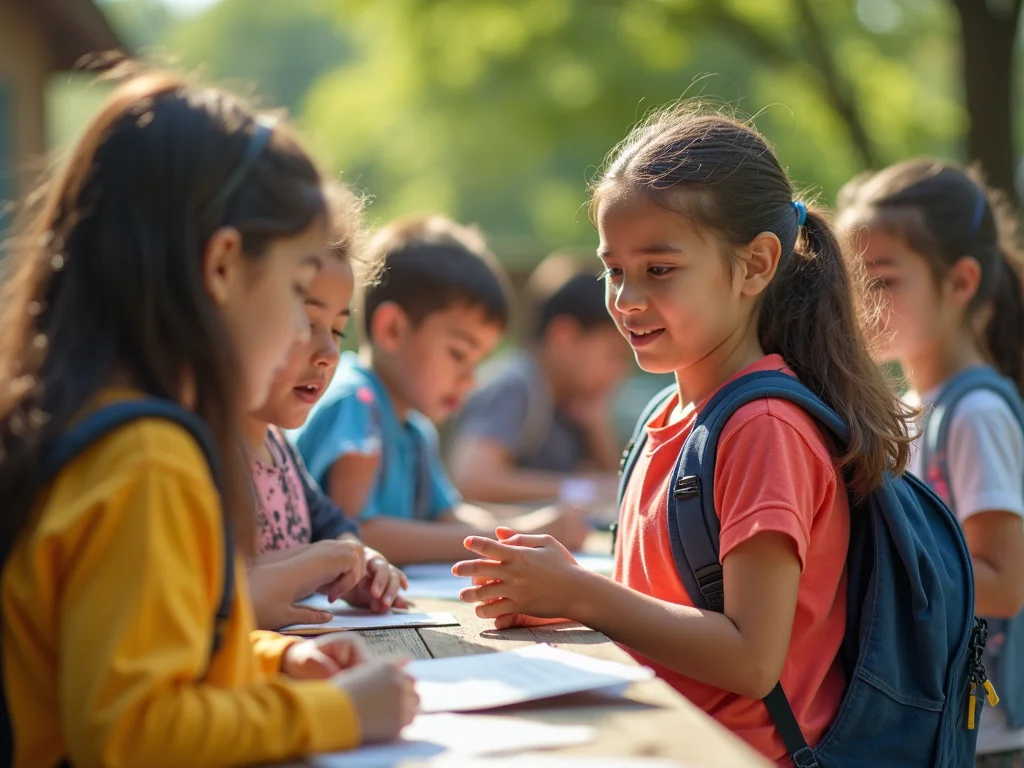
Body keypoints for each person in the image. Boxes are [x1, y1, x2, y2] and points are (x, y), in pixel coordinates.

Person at [453, 106, 913, 762]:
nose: (626, 299)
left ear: (755, 266)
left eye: (659, 269)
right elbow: (662, 608)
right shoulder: (668, 414)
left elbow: (752, 659)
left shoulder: (763, 429)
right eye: (613, 270)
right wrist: (557, 599)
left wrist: (581, 592)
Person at [0, 71, 416, 768]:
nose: (300, 338)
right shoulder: (145, 458)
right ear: (223, 265)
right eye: (295, 292)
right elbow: (134, 731)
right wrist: (336, 712)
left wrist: (272, 660)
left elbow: (141, 641)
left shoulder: (85, 419)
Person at [838, 159, 1024, 766]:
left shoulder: (974, 413)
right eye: (853, 279)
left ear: (961, 282)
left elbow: (1004, 583)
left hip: (985, 735)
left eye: (885, 280)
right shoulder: (910, 408)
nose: (863, 301)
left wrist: (876, 563)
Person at [293, 215, 590, 564]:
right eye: (458, 354)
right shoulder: (357, 402)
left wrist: (528, 531)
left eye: (478, 361)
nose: (470, 379)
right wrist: (508, 540)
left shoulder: (416, 430)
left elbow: (449, 516)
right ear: (392, 331)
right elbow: (359, 533)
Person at [245, 188, 409, 630]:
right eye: (306, 322)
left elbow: (330, 521)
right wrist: (316, 561)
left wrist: (359, 560)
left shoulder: (277, 446)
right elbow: (215, 583)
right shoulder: (206, 453)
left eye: (337, 331)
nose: (328, 354)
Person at [449, 251, 631, 510]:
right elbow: (473, 479)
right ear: (564, 337)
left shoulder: (574, 400)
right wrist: (579, 489)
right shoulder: (515, 386)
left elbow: (617, 490)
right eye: (613, 356)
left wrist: (596, 425)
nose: (619, 372)